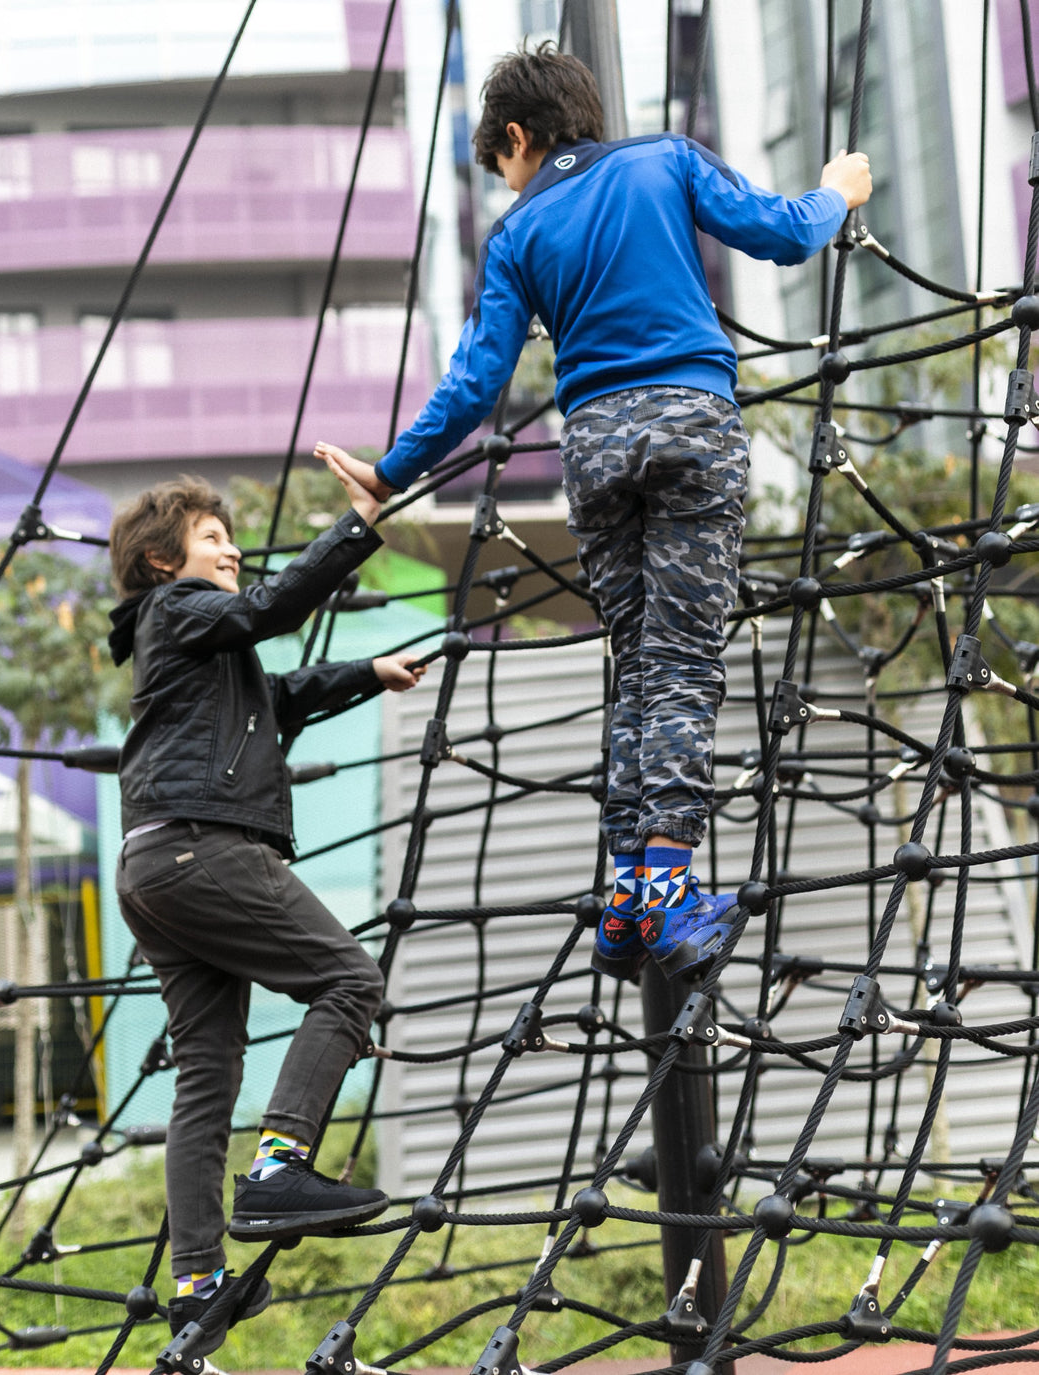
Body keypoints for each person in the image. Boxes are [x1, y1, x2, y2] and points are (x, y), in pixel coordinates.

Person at [318, 41, 872, 983]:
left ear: (521, 139)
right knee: (684, 663)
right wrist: (837, 191)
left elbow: (476, 380)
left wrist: (390, 468)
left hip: (596, 449)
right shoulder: (666, 159)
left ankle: (625, 894)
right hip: (692, 428)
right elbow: (782, 232)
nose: (507, 185)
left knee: (636, 665)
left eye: (500, 166)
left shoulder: (517, 237)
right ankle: (665, 888)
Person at [107, 452, 424, 1357]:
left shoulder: (202, 655)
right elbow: (273, 609)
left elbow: (283, 693)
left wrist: (371, 670)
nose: (232, 548)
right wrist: (359, 524)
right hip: (203, 848)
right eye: (214, 538)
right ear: (164, 561)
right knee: (349, 977)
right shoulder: (179, 610)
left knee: (207, 1074)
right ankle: (281, 1166)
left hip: (154, 865)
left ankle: (197, 1282)